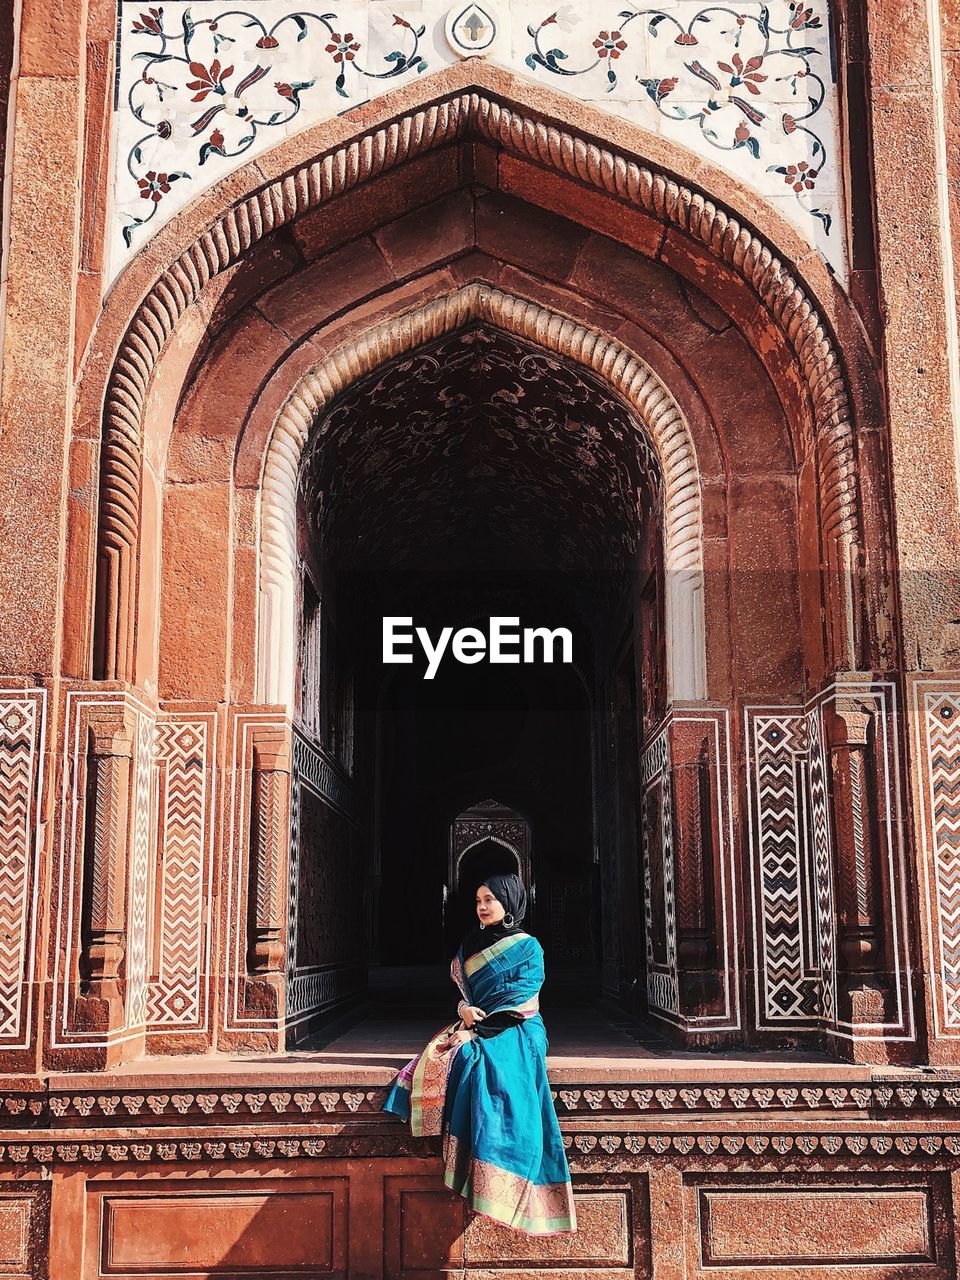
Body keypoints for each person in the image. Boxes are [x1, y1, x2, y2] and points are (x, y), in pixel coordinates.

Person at [382, 872, 577, 1235]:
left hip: (518, 1027)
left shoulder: (528, 947)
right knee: (445, 1057)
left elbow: (522, 1004)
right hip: (479, 1020)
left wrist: (475, 1032)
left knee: (486, 1066)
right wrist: (462, 1011)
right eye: (478, 900)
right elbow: (467, 995)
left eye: (490, 899)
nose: (483, 907)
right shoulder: (471, 942)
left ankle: (501, 1176)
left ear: (510, 902)